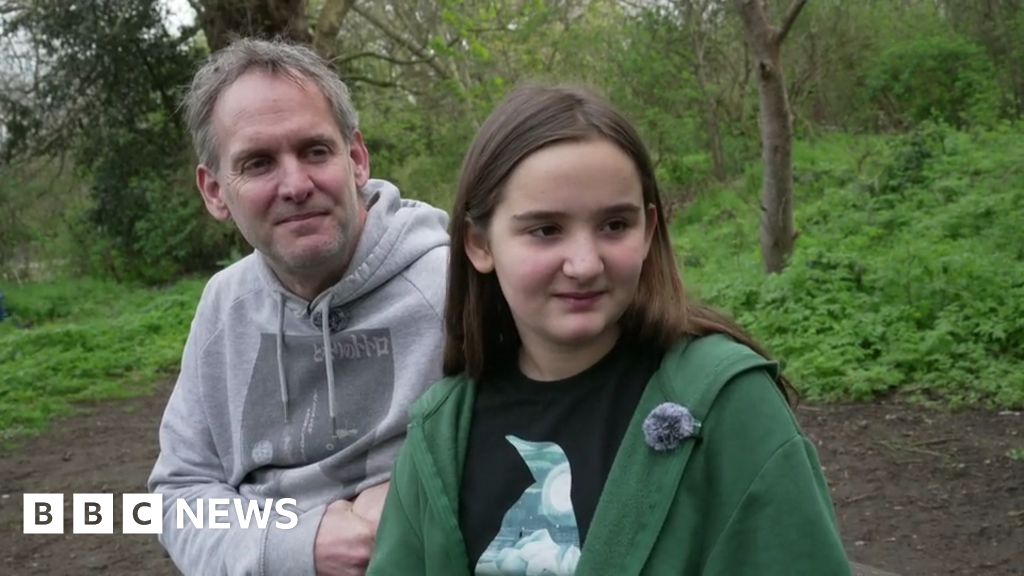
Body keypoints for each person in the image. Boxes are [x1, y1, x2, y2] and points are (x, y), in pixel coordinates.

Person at [365, 84, 852, 575]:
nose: (584, 263)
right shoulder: (441, 432)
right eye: (545, 230)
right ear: (479, 244)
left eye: (615, 225)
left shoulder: (727, 406)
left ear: (648, 230)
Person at [147, 38, 450, 576]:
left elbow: (542, 436)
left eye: (314, 150)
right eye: (258, 163)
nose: (296, 185)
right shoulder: (225, 307)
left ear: (355, 158)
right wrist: (295, 545)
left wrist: (413, 495)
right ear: (215, 191)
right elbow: (179, 494)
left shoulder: (452, 285)